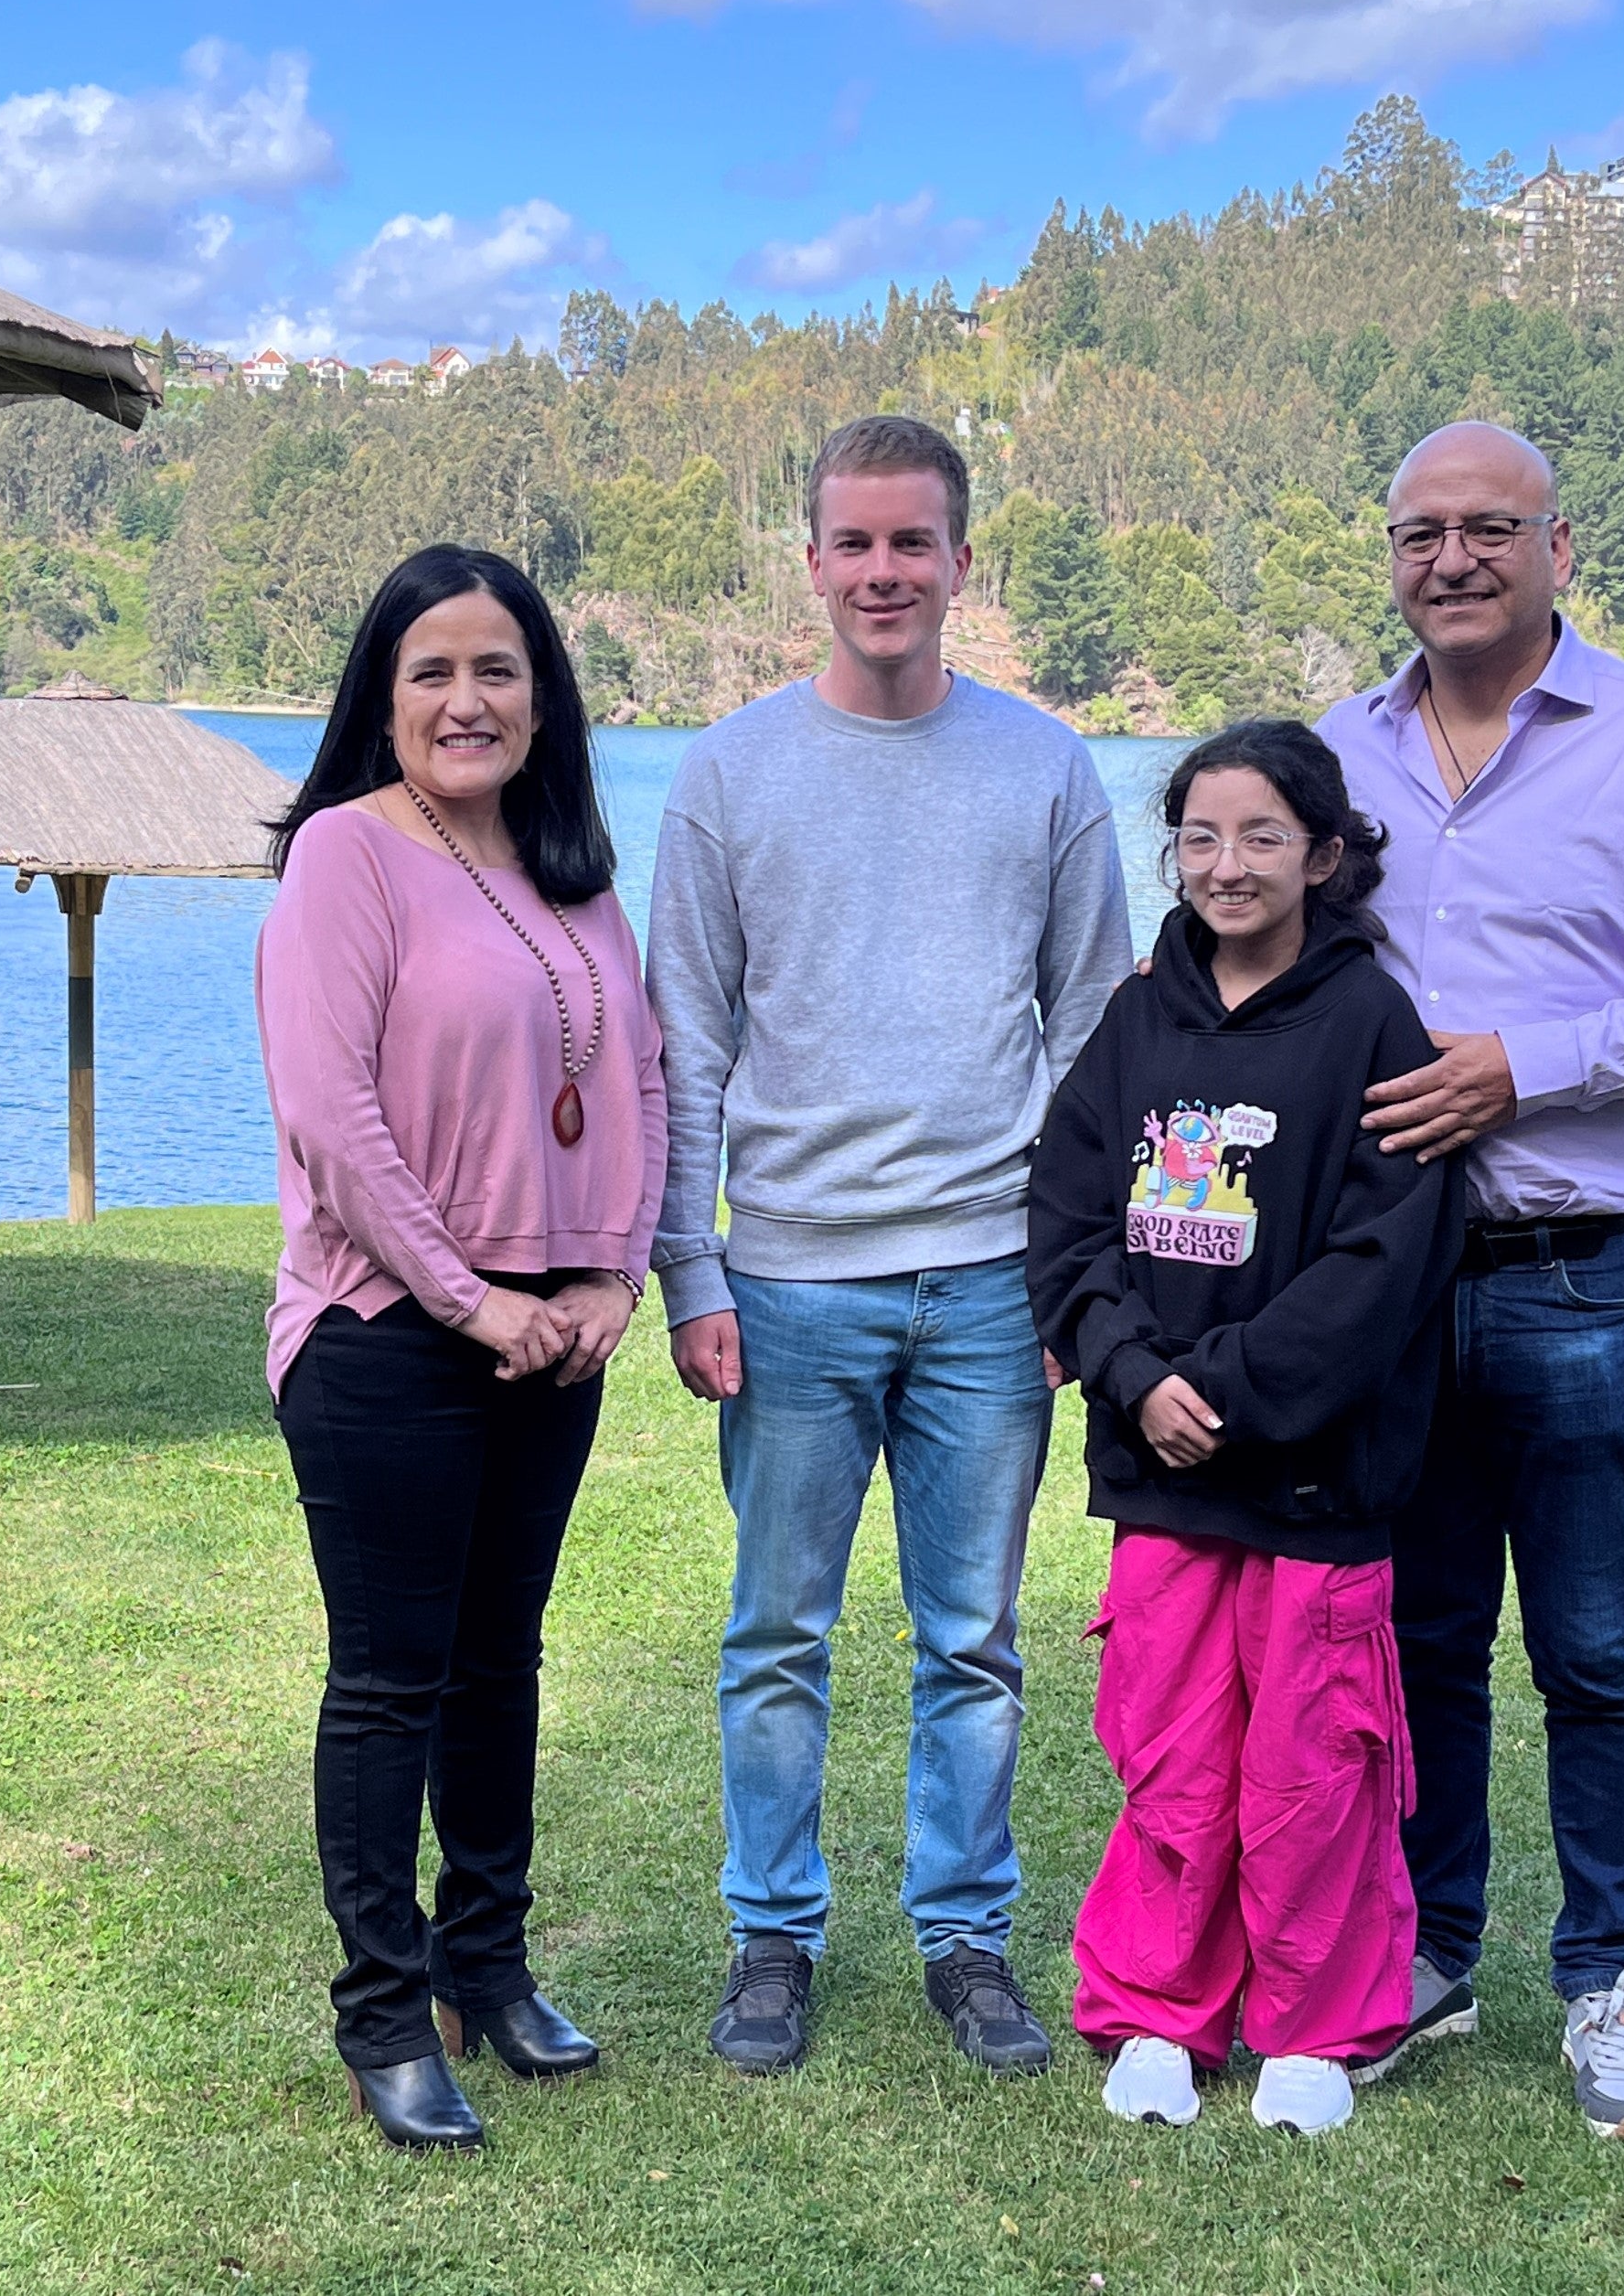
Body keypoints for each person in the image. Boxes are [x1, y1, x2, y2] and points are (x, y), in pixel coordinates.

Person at [1318, 423, 1624, 2141]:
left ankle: (1607, 1977)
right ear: (1391, 554)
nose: (1452, 559)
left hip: (1581, 1270)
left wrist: (1532, 1064)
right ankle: (1432, 1949)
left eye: (1487, 529)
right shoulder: (1334, 757)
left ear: (1559, 546)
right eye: (1420, 532)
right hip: (1387, 1281)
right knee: (1421, 1637)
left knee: (1592, 1643)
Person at [646, 413, 1132, 2077]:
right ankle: (771, 1938)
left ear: (960, 563)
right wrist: (689, 1268)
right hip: (787, 1278)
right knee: (775, 1632)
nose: (882, 572)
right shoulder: (730, 772)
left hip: (995, 1281)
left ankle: (967, 1936)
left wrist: (1082, 1280)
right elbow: (685, 1039)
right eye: (852, 543)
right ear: (811, 564)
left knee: (972, 1638)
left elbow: (1097, 1043)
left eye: (911, 542)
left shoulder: (1046, 769)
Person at [257, 545, 666, 2152]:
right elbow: (332, 1119)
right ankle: (381, 2011)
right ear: (383, 695)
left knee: (504, 1659)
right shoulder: (346, 859)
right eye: (429, 670)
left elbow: (639, 1081)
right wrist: (471, 1297)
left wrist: (617, 1282)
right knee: (391, 1681)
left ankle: (486, 1967)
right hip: (390, 1338)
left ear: (546, 696)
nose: (465, 699)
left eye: (497, 667)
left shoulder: (572, 869)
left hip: (557, 1332)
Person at [1027, 720, 1465, 2138]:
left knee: (1311, 1761)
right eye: (1201, 837)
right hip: (1163, 1471)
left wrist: (1229, 1386)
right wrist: (1132, 1372)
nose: (1228, 865)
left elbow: (1385, 1257)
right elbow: (1071, 1213)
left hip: (1313, 1478)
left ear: (1323, 856)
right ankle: (1158, 2010)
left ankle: (1312, 2029)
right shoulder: (1140, 1014)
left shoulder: (1372, 1026)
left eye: (1263, 837)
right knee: (1171, 1746)